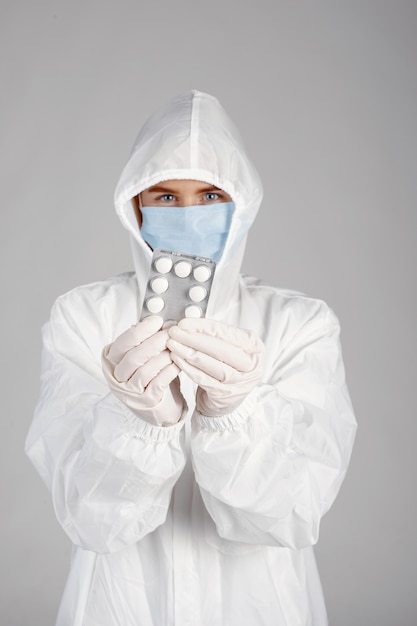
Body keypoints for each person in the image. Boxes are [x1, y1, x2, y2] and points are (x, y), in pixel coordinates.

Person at [26, 90, 357, 626]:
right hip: (121, 604)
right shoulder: (85, 317)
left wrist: (234, 414)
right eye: (164, 197)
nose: (187, 215)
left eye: (209, 197)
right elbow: (90, 519)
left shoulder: (299, 323)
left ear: (242, 204)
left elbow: (291, 516)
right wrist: (132, 423)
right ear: (134, 206)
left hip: (258, 606)